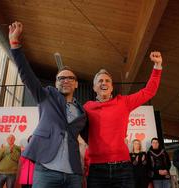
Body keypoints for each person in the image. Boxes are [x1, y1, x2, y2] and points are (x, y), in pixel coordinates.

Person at [9, 21, 87, 188]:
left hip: (73, 173)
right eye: (61, 78)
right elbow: (27, 74)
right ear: (55, 82)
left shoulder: (82, 112)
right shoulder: (46, 96)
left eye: (70, 78)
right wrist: (15, 45)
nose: (65, 80)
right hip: (46, 171)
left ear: (76, 84)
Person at [83, 51, 163, 188]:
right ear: (94, 87)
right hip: (96, 168)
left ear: (112, 87)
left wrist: (157, 65)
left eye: (107, 81)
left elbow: (149, 91)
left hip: (123, 168)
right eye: (100, 81)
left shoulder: (123, 102)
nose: (104, 83)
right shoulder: (87, 107)